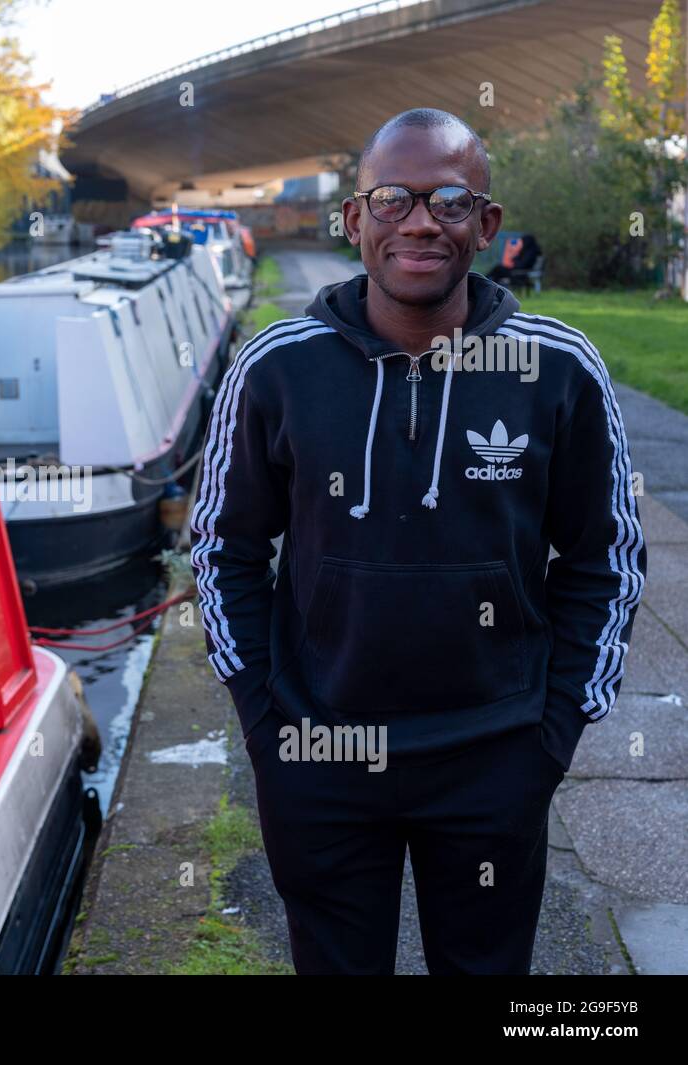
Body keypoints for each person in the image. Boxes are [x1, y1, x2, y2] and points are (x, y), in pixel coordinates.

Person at [189, 108, 645, 975]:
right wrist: (264, 723)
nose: (422, 222)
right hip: (319, 754)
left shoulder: (557, 368)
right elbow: (223, 550)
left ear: (487, 223)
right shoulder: (278, 368)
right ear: (357, 221)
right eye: (394, 199)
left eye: (449, 200)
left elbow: (605, 560)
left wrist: (552, 737)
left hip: (494, 759)